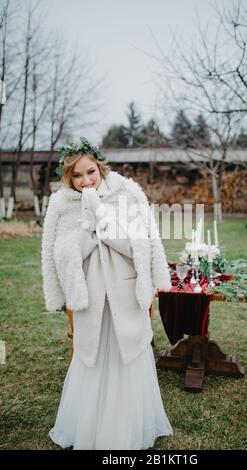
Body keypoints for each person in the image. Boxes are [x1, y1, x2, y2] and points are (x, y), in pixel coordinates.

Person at [41, 137, 173, 450]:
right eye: (77, 175)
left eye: (90, 172)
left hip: (125, 292)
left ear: (100, 168)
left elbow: (138, 245)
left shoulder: (126, 194)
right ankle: (92, 426)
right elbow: (59, 253)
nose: (85, 180)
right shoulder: (62, 205)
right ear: (68, 177)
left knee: (128, 352)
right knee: (92, 354)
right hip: (90, 294)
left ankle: (127, 427)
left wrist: (102, 217)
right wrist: (86, 227)